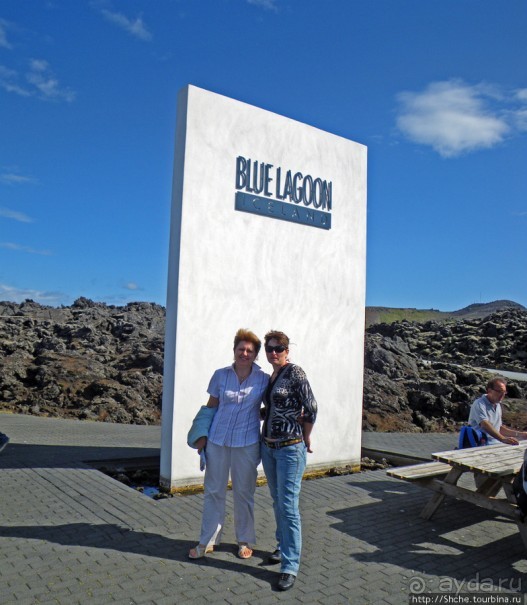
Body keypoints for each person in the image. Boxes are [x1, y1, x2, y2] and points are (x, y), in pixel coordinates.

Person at [188, 328, 269, 560]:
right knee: (214, 492)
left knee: (244, 493)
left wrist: (257, 415)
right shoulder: (220, 375)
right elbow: (210, 407)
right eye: (241, 349)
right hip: (217, 440)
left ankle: (243, 541)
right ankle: (208, 540)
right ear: (234, 350)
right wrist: (201, 438)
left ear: (255, 355)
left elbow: (271, 407)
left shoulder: (263, 380)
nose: (244, 353)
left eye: (250, 350)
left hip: (247, 443)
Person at [260, 330, 317, 592]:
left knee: (288, 506)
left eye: (278, 348)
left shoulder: (295, 373)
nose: (274, 353)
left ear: (287, 350)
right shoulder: (271, 376)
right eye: (269, 348)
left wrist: (306, 437)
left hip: (290, 449)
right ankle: (282, 545)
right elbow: (273, 409)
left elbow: (312, 407)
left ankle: (289, 565)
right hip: (269, 448)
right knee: (277, 501)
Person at [468, 377, 527, 445]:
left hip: (495, 443)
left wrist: (521, 434)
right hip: (481, 444)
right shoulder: (479, 404)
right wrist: (503, 439)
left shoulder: (497, 404)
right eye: (499, 391)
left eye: (504, 392)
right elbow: (484, 424)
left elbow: (498, 428)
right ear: (489, 390)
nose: (502, 394)